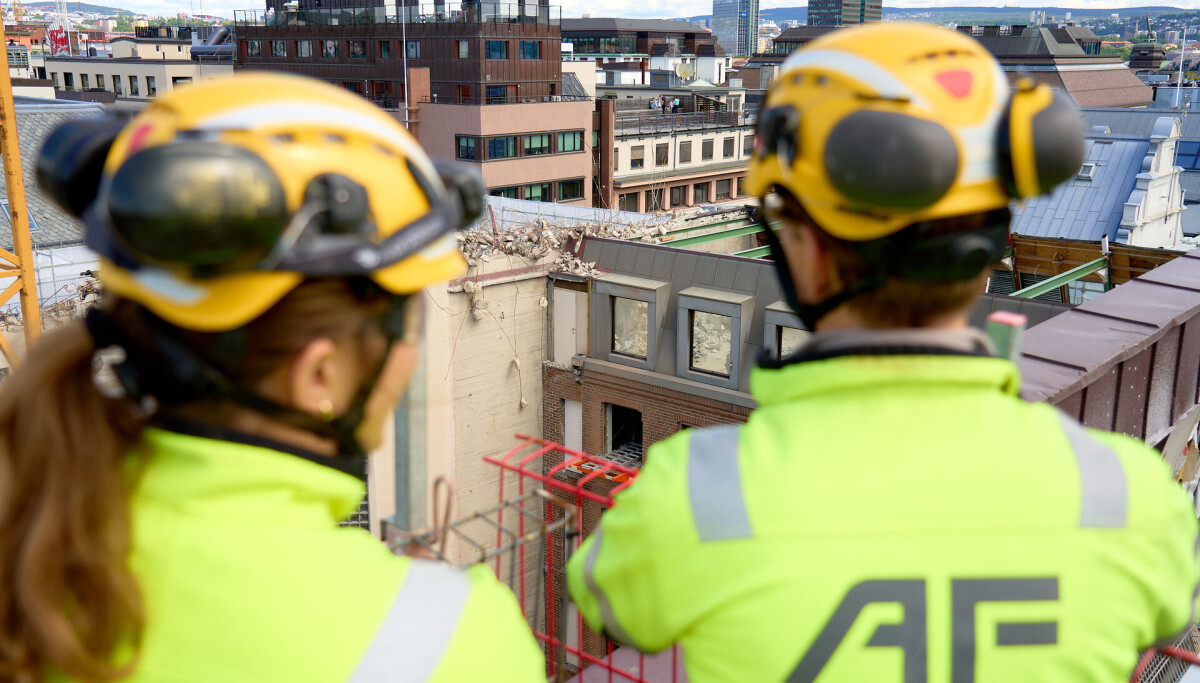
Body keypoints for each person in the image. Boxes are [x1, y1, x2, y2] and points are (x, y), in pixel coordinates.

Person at [566, 23, 1200, 682]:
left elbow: (613, 602)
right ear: (991, 241)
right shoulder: (1127, 498)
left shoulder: (694, 499)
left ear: (807, 249)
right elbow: (1167, 606)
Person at [0, 74, 546, 682]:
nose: (410, 357)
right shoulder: (453, 644)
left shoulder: (30, 536)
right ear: (318, 375)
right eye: (408, 325)